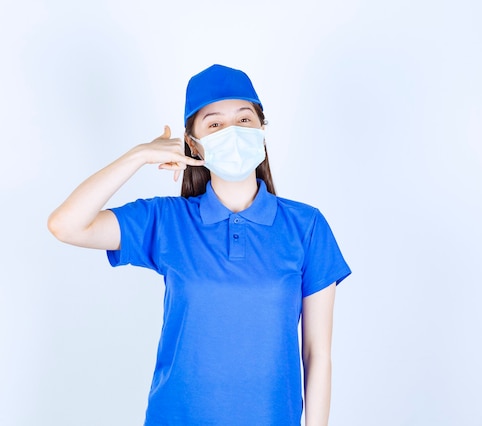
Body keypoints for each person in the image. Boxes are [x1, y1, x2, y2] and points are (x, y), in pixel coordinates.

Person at [47, 64, 351, 426]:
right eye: (215, 125)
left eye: (244, 119)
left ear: (262, 131)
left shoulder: (306, 226)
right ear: (193, 144)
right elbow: (66, 225)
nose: (233, 132)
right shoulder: (167, 220)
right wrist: (140, 155)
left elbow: (317, 354)